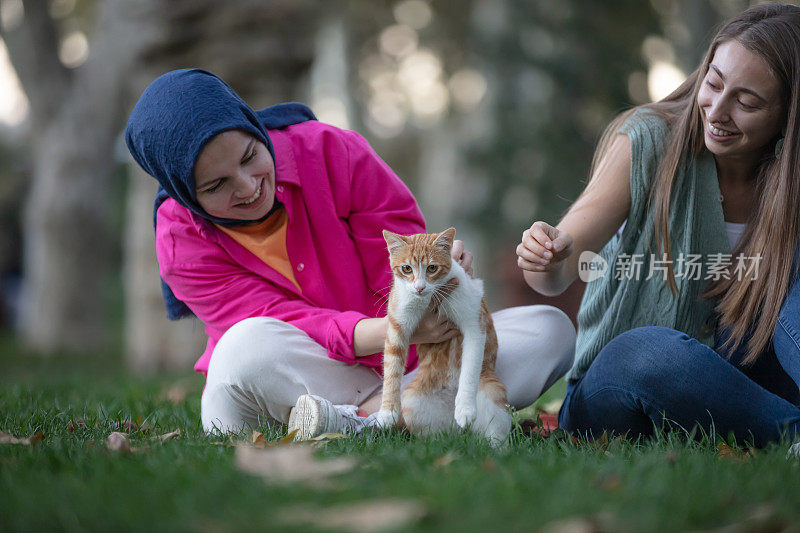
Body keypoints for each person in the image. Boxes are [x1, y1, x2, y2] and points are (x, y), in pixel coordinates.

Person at [125, 68, 576, 437]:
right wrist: (400, 329)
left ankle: (365, 422)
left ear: (253, 126)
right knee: (242, 348)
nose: (248, 187)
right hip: (291, 377)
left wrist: (440, 288)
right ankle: (399, 418)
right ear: (187, 194)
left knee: (548, 329)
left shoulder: (331, 151)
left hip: (409, 365)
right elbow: (289, 323)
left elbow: (396, 266)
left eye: (248, 157)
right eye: (216, 185)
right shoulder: (179, 242)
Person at [516, 3, 800, 448]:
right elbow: (555, 273)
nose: (717, 110)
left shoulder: (790, 182)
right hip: (623, 387)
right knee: (646, 351)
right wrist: (546, 254)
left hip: (747, 387)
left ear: (788, 115)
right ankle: (788, 436)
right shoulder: (650, 140)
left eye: (746, 102)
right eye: (714, 83)